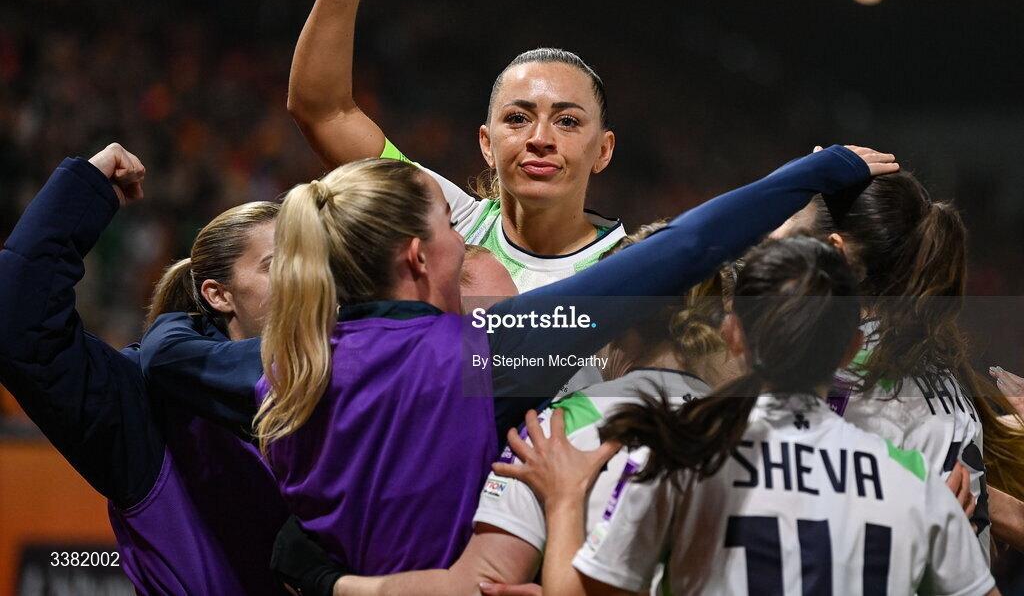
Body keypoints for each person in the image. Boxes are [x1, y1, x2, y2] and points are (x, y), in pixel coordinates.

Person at [140, 144, 898, 586]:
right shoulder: (489, 354)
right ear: (417, 254)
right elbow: (685, 250)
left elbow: (164, 353)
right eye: (449, 227)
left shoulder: (281, 369)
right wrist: (816, 169)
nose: (466, 242)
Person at [497, 236, 998, 596]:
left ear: (734, 333)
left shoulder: (677, 453)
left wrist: (564, 500)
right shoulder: (915, 482)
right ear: (848, 350)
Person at [292, 227, 736, 596]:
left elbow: (476, 587)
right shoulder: (767, 423)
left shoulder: (556, 434)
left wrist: (327, 583)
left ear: (616, 322)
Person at [285, 0, 623, 295]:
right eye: (517, 118)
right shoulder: (448, 222)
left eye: (567, 121)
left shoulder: (635, 272)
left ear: (603, 150)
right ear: (486, 143)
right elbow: (322, 111)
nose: (540, 139)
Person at [0, 143, 289, 595]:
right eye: (278, 265)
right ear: (219, 295)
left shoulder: (344, 381)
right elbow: (18, 323)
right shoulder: (149, 406)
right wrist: (83, 192)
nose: (304, 278)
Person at [779, 170, 1024, 557]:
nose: (773, 251)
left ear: (835, 251)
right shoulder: (933, 362)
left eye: (789, 234)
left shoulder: (846, 378)